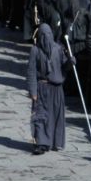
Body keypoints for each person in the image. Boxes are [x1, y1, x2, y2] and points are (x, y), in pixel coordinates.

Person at [26, 23, 72, 155]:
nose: (46, 38)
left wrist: (71, 62)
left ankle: (54, 141)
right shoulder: (35, 50)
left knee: (55, 116)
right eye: (43, 35)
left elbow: (65, 67)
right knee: (41, 116)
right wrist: (33, 91)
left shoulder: (58, 49)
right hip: (42, 87)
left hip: (57, 89)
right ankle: (41, 143)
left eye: (49, 35)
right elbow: (31, 72)